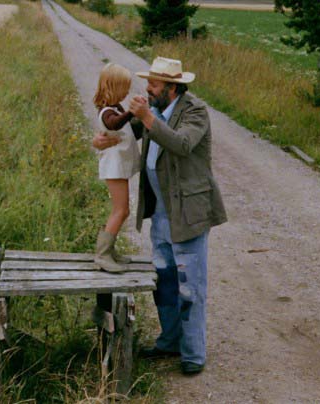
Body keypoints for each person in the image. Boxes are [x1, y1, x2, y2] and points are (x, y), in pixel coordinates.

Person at [93, 56, 227, 375]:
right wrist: (99, 140)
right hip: (161, 214)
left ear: (171, 87)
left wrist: (147, 118)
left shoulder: (194, 111)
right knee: (164, 282)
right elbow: (122, 131)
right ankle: (169, 341)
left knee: (189, 286)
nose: (147, 88)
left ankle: (193, 355)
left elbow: (181, 144)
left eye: (153, 84)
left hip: (188, 213)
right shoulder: (153, 109)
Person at [92, 63, 140, 272]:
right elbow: (115, 124)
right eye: (125, 87)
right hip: (114, 167)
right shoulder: (107, 112)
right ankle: (102, 255)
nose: (128, 92)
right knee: (120, 210)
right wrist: (131, 112)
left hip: (119, 167)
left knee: (123, 210)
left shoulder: (116, 109)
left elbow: (128, 129)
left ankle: (109, 250)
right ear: (114, 87)